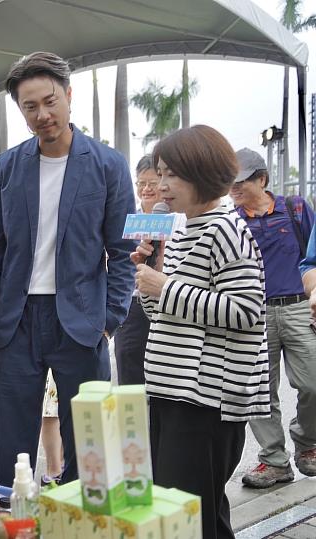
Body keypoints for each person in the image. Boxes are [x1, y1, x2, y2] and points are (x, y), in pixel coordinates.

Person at [0, 52, 135, 486]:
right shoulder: (7, 168)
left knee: (89, 441)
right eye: (30, 107)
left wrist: (109, 320)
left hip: (81, 320)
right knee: (12, 442)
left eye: (50, 101)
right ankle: (13, 520)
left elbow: (121, 251)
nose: (43, 115)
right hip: (16, 322)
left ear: (68, 95)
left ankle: (85, 523)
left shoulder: (107, 165)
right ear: (20, 110)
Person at [133, 126, 270, 539]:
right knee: (195, 514)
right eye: (160, 174)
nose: (162, 186)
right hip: (172, 389)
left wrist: (166, 287)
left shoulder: (225, 229)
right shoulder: (179, 228)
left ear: (204, 173)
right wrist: (151, 278)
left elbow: (247, 311)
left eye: (172, 174)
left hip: (206, 399)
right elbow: (162, 314)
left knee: (189, 518)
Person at [230, 148, 316, 486]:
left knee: (312, 382)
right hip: (254, 313)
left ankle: (307, 443)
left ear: (262, 179)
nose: (234, 190)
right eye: (231, 185)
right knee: (260, 392)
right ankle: (274, 461)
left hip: (298, 306)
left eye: (240, 183)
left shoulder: (295, 210)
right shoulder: (233, 221)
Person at [113, 155, 161, 385]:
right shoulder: (126, 218)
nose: (147, 189)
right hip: (131, 302)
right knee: (128, 362)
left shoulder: (177, 218)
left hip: (164, 300)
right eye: (141, 183)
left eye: (152, 183)